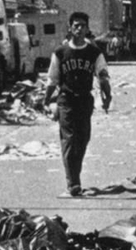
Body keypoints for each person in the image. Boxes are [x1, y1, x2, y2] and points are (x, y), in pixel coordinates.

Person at [46, 11, 112, 197]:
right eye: (76, 25)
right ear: (70, 28)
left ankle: (75, 175)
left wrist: (107, 96)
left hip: (84, 100)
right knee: (69, 140)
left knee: (82, 139)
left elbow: (102, 75)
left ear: (87, 28)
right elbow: (52, 79)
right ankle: (73, 183)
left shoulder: (94, 52)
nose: (79, 29)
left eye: (83, 25)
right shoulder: (60, 52)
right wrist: (46, 100)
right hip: (66, 99)